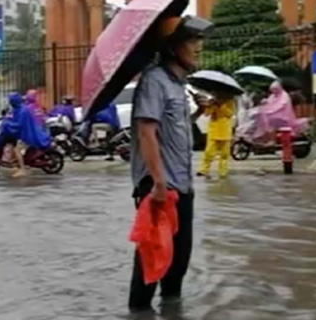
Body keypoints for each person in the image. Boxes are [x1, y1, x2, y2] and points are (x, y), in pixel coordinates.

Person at [128, 15, 213, 312]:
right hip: (160, 188)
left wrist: (195, 114)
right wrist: (159, 184)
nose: (198, 48)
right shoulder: (155, 80)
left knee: (178, 263)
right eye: (192, 41)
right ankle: (138, 313)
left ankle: (172, 311)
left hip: (182, 186)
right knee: (152, 263)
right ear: (173, 47)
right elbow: (145, 132)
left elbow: (170, 132)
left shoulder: (178, 85)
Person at [197, 93, 235, 179]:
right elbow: (207, 114)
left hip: (225, 131)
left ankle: (222, 172)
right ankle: (204, 170)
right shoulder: (212, 102)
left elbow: (230, 114)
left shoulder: (230, 102)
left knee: (224, 154)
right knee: (208, 152)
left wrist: (221, 105)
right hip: (213, 130)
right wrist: (210, 106)